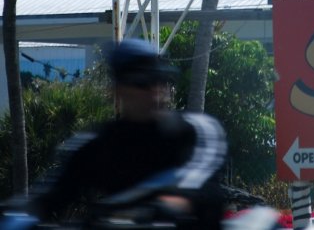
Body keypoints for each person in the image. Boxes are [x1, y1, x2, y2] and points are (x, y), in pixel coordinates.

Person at [23, 38, 228, 229]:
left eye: (160, 78)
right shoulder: (98, 145)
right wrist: (19, 216)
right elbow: (52, 196)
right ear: (117, 89)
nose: (155, 89)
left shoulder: (198, 131)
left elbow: (204, 188)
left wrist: (172, 204)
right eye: (142, 82)